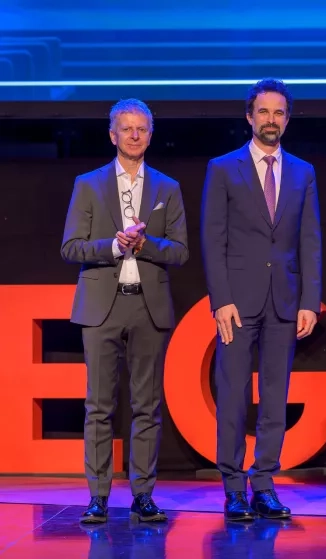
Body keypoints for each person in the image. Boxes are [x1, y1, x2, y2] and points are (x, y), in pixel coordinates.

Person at [61, 98, 189, 524]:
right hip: (101, 307)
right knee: (99, 406)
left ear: (150, 135)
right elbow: (70, 247)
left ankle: (143, 495)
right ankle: (98, 496)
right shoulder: (89, 184)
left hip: (148, 308)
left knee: (146, 406)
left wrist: (145, 244)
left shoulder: (167, 187)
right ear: (112, 135)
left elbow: (181, 250)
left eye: (142, 129)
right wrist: (114, 246)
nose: (135, 136)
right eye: (127, 129)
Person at [200, 78, 321, 521]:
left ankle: (264, 482)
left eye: (279, 113)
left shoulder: (303, 171)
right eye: (263, 112)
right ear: (249, 117)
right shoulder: (222, 168)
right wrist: (221, 300)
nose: (271, 120)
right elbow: (213, 239)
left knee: (275, 395)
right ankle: (233, 486)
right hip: (237, 303)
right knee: (232, 395)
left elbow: (310, 240)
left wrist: (310, 300)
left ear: (287, 119)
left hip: (285, 302)